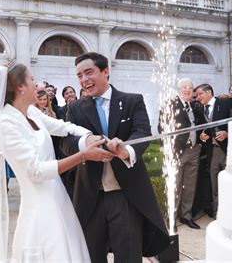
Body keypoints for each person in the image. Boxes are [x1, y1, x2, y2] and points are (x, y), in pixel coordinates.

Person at [0, 64, 114, 262]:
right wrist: (83, 156)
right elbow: (35, 171)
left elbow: (63, 127)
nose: (36, 85)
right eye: (32, 80)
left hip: (58, 199)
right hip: (39, 209)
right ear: (20, 87)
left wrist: (90, 137)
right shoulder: (5, 123)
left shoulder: (31, 112)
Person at [61, 52, 170, 262]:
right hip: (90, 196)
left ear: (105, 71)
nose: (84, 80)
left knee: (128, 256)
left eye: (89, 73)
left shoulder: (132, 101)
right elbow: (66, 142)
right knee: (91, 256)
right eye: (79, 76)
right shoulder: (75, 109)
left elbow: (142, 131)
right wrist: (86, 144)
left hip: (125, 195)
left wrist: (125, 150)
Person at [159, 78, 205, 229]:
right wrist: (169, 151)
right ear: (179, 89)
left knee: (190, 185)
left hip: (194, 150)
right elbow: (162, 128)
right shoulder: (170, 104)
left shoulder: (194, 106)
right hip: (177, 152)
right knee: (175, 185)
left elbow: (199, 124)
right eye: (184, 87)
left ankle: (186, 216)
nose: (187, 90)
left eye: (190, 88)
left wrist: (201, 136)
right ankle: (171, 219)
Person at [195, 83, 232, 218]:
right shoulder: (200, 109)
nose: (198, 97)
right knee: (214, 184)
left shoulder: (226, 102)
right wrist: (202, 136)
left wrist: (227, 133)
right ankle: (219, 213)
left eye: (200, 94)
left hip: (226, 151)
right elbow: (201, 129)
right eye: (197, 95)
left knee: (230, 182)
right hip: (211, 152)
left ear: (209, 92)